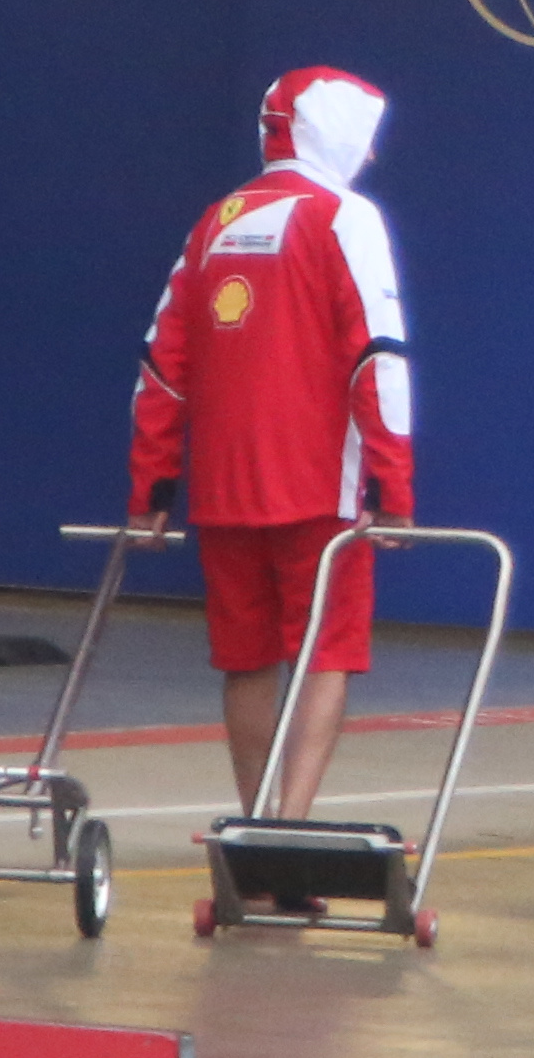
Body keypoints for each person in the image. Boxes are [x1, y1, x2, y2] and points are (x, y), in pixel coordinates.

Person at [133, 66, 414, 883]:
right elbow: (378, 356)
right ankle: (287, 840)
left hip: (224, 488)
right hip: (320, 489)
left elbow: (161, 365)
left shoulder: (214, 222)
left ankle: (254, 832)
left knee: (247, 658)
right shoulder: (344, 218)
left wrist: (152, 489)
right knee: (325, 654)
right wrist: (393, 489)